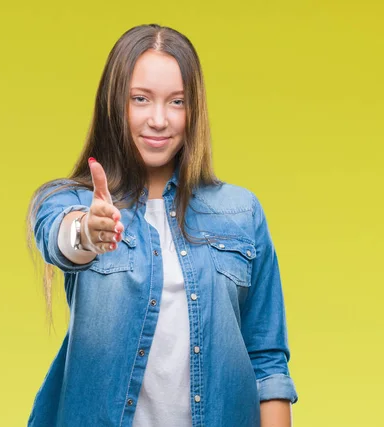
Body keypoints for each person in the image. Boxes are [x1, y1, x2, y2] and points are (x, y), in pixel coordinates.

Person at [25, 23, 298, 427]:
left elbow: (268, 362)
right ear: (115, 103)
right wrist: (87, 230)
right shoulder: (71, 201)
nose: (158, 119)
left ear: (194, 110)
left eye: (176, 102)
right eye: (140, 99)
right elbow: (60, 238)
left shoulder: (241, 211)